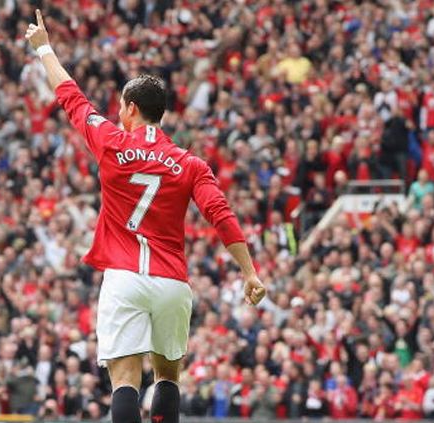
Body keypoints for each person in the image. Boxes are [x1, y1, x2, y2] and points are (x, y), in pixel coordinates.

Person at [24, 10, 266, 423]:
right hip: (172, 281)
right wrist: (249, 272)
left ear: (130, 108)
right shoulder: (188, 163)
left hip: (123, 277)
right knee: (168, 376)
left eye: (121, 105)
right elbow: (219, 214)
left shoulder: (111, 141)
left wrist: (43, 46)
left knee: (124, 382)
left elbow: (70, 96)